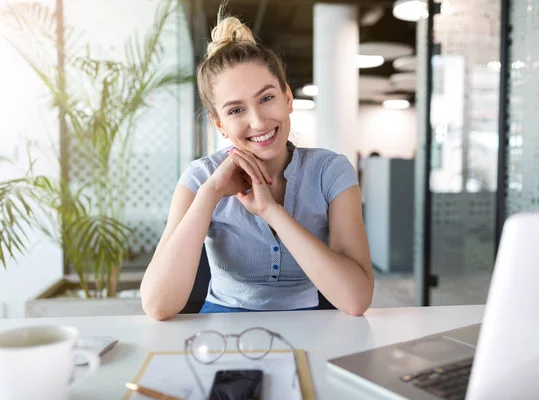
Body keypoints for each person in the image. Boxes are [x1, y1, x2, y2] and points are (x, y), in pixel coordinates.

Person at [140, 8, 373, 320]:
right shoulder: (200, 178)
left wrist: (270, 211)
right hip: (222, 320)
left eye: (266, 98)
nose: (258, 120)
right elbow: (158, 305)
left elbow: (356, 300)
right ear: (218, 123)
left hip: (312, 318)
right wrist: (211, 193)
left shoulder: (331, 171)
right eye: (236, 110)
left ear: (287, 97)